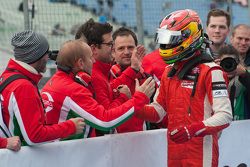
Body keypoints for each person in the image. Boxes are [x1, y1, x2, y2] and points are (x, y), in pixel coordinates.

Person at [138, 9, 232, 167]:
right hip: (175, 154)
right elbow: (158, 112)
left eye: (171, 39)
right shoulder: (169, 71)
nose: (166, 44)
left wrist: (192, 130)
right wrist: (133, 104)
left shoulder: (212, 71)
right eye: (164, 39)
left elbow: (225, 115)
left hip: (201, 155)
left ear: (190, 37)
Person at [41, 40, 155, 139]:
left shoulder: (55, 81)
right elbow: (105, 121)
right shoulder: (73, 89)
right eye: (90, 58)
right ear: (80, 63)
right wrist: (139, 98)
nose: (94, 61)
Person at [0, 30, 85, 146]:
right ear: (37, 56)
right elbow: (34, 136)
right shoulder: (24, 87)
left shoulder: (6, 76)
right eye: (47, 53)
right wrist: (70, 127)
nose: (48, 57)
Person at [75, 19, 146, 135]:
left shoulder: (99, 72)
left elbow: (109, 89)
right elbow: (107, 118)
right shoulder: (93, 75)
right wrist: (123, 96)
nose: (113, 48)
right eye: (109, 44)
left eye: (130, 47)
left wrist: (133, 70)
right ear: (93, 49)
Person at [110, 27, 154, 132]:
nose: (126, 52)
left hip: (143, 141)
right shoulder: (107, 76)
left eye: (130, 47)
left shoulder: (146, 78)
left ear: (136, 49)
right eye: (121, 48)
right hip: (113, 142)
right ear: (113, 52)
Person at [216, 45, 250, 120]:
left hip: (242, 125)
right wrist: (213, 71)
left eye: (232, 61)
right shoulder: (213, 78)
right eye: (224, 62)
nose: (228, 65)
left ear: (239, 63)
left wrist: (245, 75)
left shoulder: (245, 76)